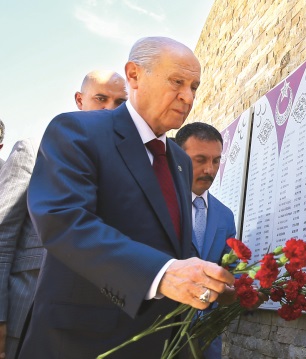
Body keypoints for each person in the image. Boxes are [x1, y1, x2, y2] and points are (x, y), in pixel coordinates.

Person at [19, 37, 235, 359]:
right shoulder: (77, 131)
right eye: (177, 82)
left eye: (194, 87)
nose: (188, 97)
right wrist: (161, 274)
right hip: (82, 342)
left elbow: (173, 242)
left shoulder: (177, 159)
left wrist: (213, 280)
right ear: (134, 75)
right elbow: (64, 221)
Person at [0, 70, 128, 359]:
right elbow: (2, 241)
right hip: (23, 316)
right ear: (79, 100)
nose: (110, 108)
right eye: (101, 98)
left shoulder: (125, 168)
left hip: (87, 327)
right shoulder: (34, 150)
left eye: (120, 102)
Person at [175, 122, 236, 359]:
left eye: (216, 161)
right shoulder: (161, 205)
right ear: (179, 158)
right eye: (200, 159)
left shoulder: (225, 216)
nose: (210, 169)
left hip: (206, 339)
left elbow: (230, 267)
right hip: (161, 332)